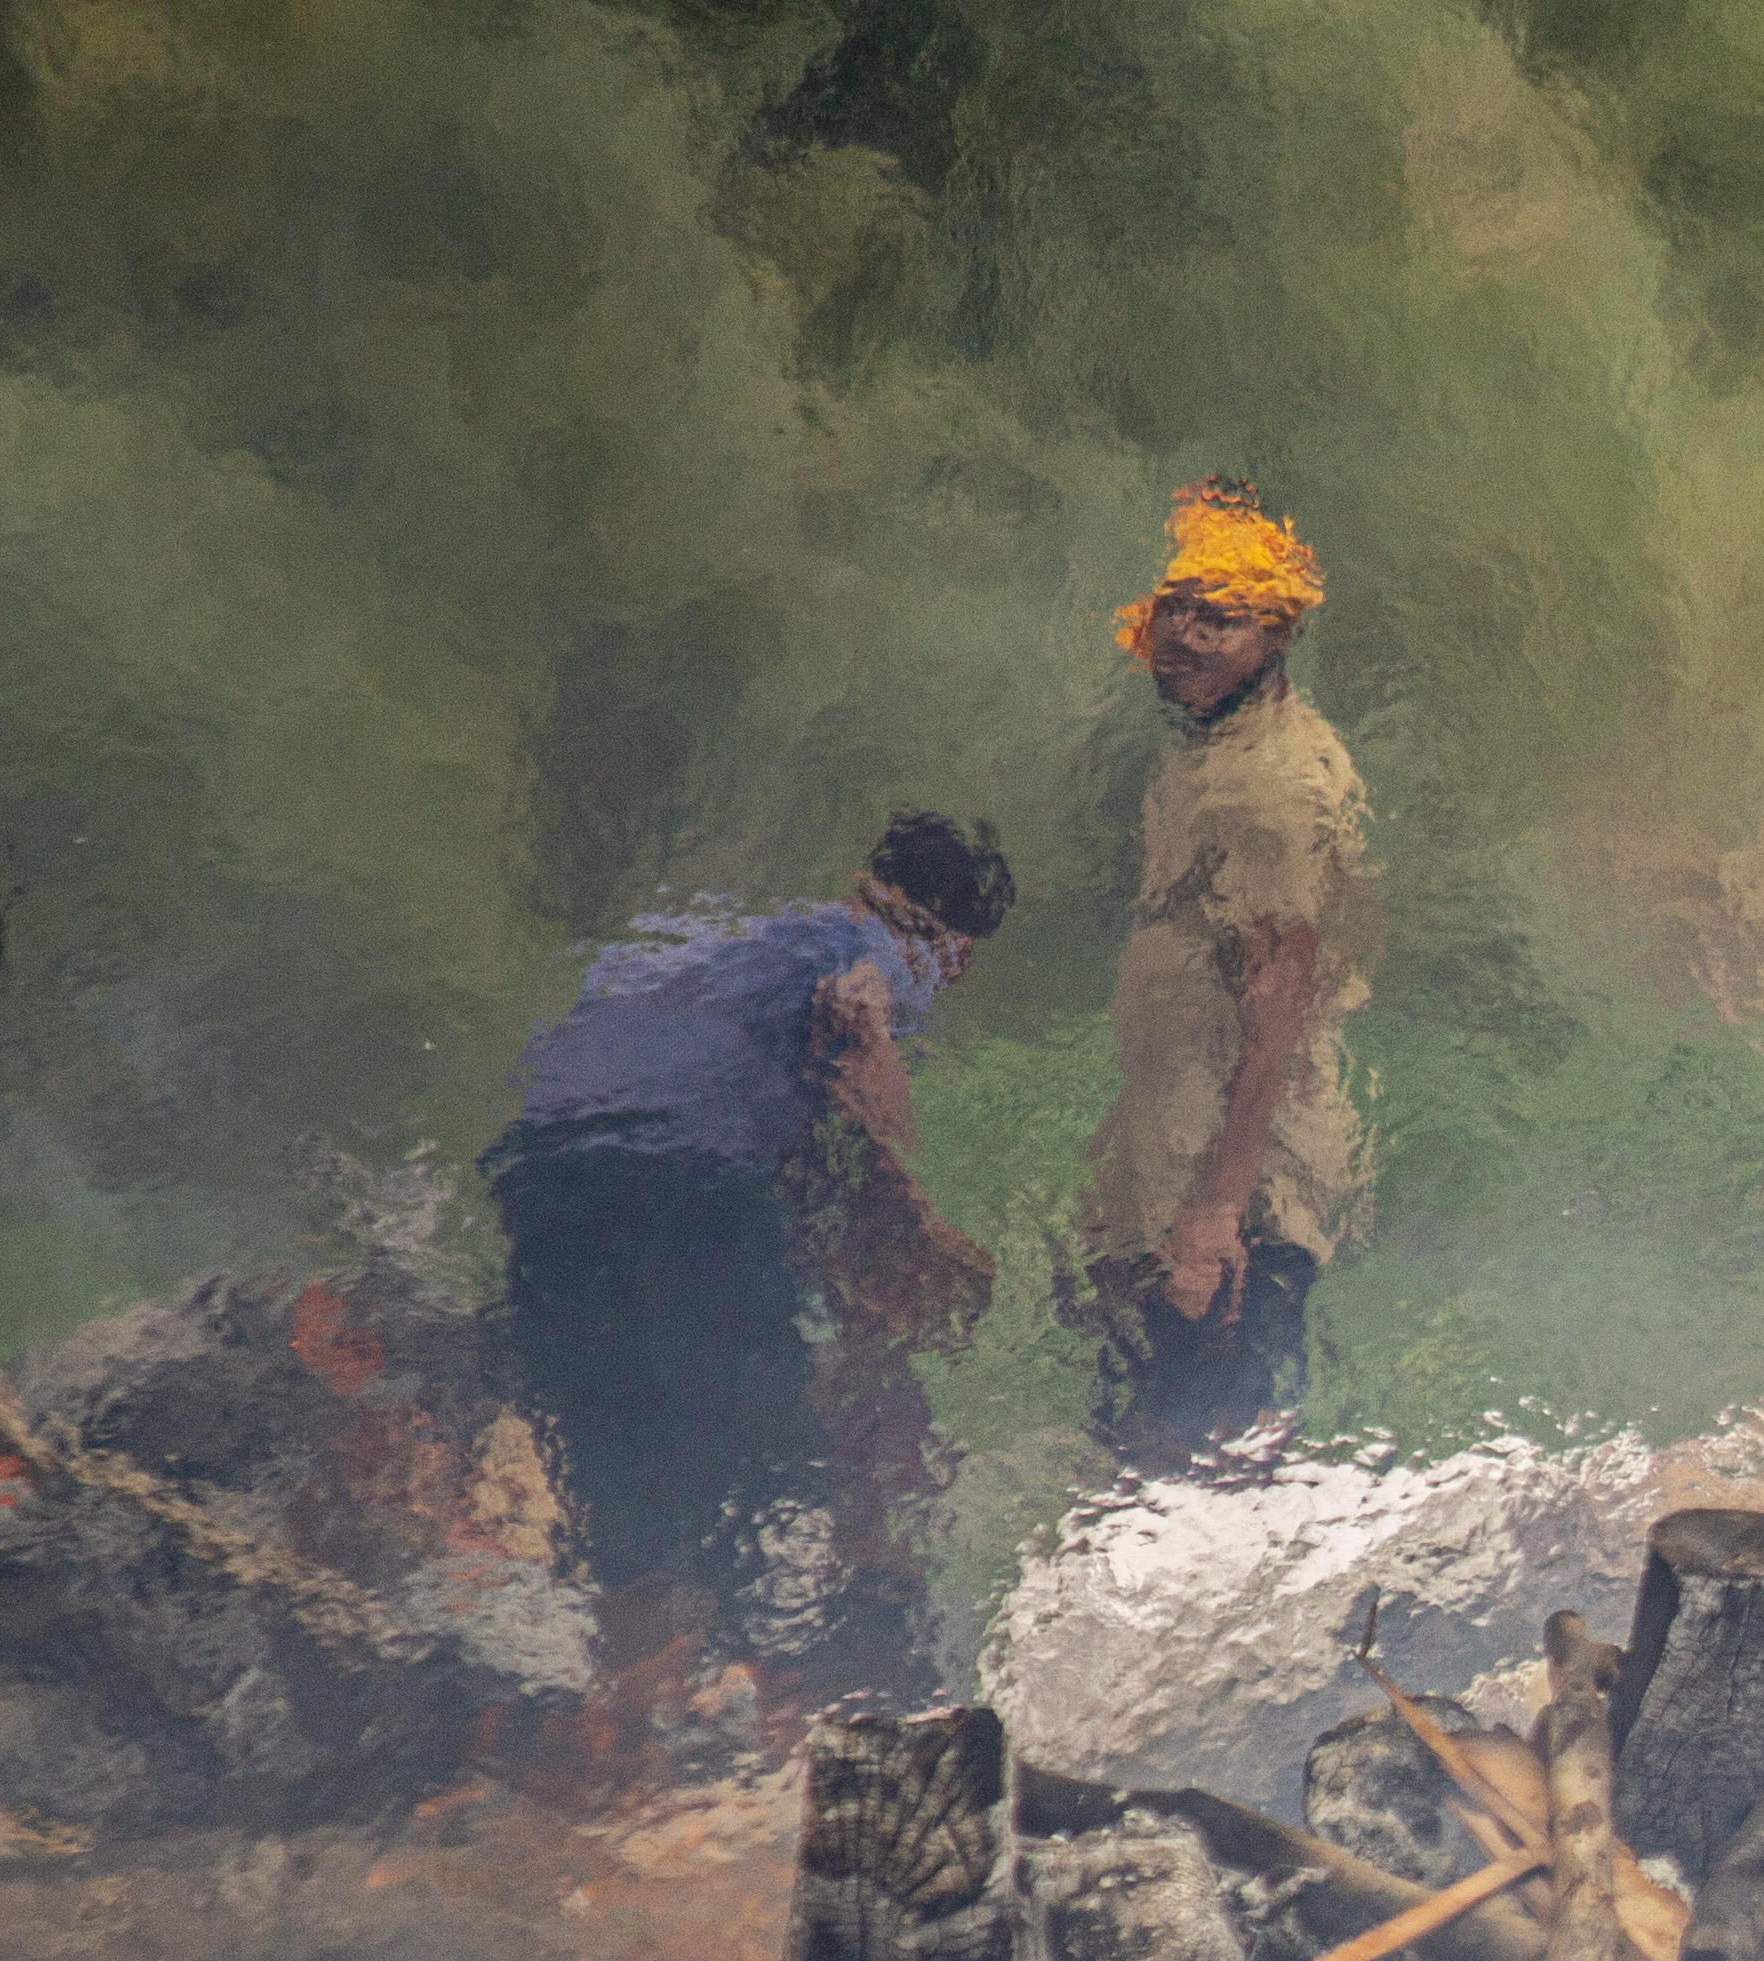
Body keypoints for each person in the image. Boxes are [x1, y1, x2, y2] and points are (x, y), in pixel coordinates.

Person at [481, 811, 1012, 1681]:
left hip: (541, 1172)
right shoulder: (887, 951)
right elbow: (856, 1006)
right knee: (761, 1447)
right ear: (956, 946)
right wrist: (911, 1201)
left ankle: (628, 1714)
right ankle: (807, 1684)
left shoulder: (736, 940)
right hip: (673, 1183)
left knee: (621, 1475)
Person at [1073, 475, 1374, 1466]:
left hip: (1239, 1193)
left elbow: (1279, 1000)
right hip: (1177, 1158)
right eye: (1178, 612)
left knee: (1206, 1466)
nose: (1187, 637)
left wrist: (1212, 1213)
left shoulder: (1276, 786)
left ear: (1277, 636)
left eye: (1224, 620)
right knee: (1146, 1452)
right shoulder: (1212, 757)